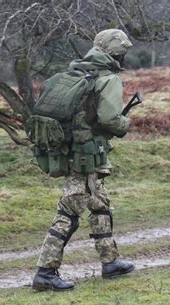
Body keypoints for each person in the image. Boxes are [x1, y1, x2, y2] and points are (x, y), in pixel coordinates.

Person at [32, 29, 135, 291]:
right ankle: (46, 271)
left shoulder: (76, 72)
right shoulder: (108, 78)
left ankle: (110, 261)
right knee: (69, 211)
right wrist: (125, 123)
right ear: (116, 53)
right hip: (85, 156)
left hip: (74, 150)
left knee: (99, 204)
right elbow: (110, 119)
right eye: (123, 52)